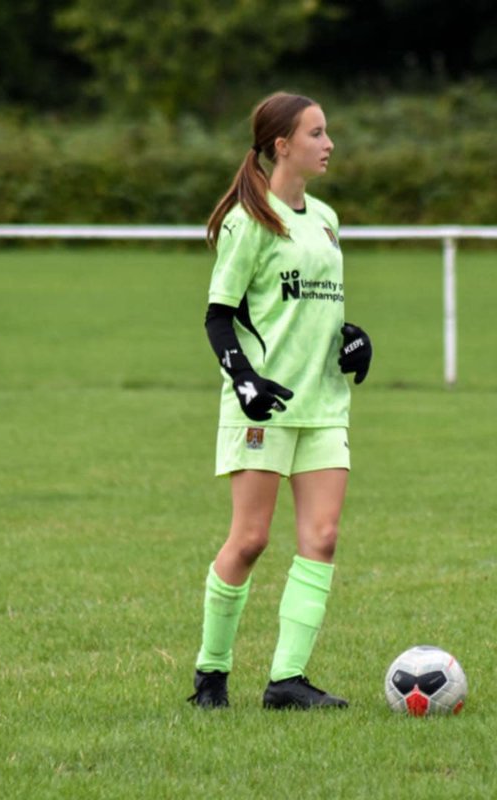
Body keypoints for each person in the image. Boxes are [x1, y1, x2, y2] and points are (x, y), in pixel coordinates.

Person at [187, 92, 373, 710]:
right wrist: (244, 380)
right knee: (250, 540)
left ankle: (287, 681)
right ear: (281, 146)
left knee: (321, 537)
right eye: (317, 133)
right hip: (263, 406)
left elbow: (316, 304)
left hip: (323, 404)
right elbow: (219, 317)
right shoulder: (250, 219)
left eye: (328, 132)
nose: (329, 143)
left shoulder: (325, 218)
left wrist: (353, 339)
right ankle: (211, 677)